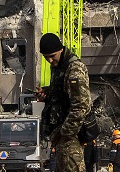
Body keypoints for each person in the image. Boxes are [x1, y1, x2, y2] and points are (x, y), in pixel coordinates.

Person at [39, 33, 91, 172]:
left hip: (70, 135)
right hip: (61, 133)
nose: (49, 60)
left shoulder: (74, 69)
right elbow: (62, 93)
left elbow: (81, 105)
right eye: (46, 57)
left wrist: (67, 132)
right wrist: (46, 93)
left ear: (61, 49)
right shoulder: (58, 66)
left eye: (52, 56)